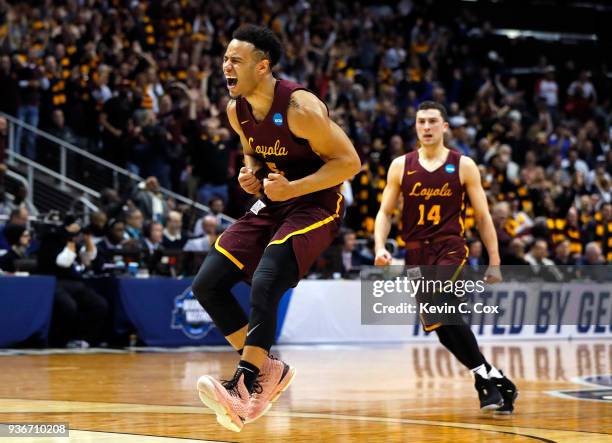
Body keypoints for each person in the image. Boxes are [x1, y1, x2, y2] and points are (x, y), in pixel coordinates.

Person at [193, 25, 360, 432]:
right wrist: (250, 174)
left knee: (267, 277)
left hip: (317, 202)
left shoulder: (301, 108)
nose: (225, 66)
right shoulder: (237, 110)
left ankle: (244, 383)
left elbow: (349, 163)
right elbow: (252, 153)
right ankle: (270, 369)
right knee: (208, 283)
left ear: (263, 66)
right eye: (225, 58)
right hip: (274, 201)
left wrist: (293, 187)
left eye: (236, 60)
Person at [373, 101, 518, 413]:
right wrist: (379, 246)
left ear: (445, 127)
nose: (426, 127)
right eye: (421, 121)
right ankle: (494, 378)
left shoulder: (463, 165)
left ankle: (484, 382)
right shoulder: (400, 165)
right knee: (442, 327)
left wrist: (494, 261)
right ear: (415, 127)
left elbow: (482, 217)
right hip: (415, 252)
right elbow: (385, 212)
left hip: (449, 247)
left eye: (432, 122)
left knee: (442, 305)